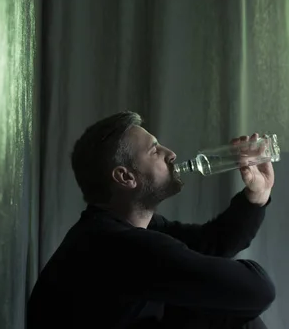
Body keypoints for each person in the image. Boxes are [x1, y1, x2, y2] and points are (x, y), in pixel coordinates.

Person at [27, 111, 276, 329]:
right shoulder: (119, 247)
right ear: (125, 177)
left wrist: (258, 194)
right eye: (154, 150)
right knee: (225, 315)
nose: (171, 154)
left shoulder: (122, 228)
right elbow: (258, 291)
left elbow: (212, 242)